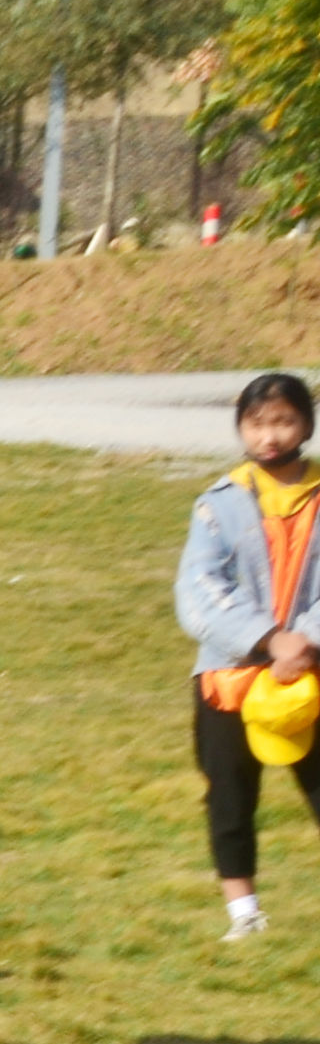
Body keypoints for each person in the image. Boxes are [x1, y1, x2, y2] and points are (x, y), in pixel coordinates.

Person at [173, 371, 320, 938]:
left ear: (305, 424)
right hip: (230, 673)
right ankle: (244, 914)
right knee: (229, 795)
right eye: (257, 424)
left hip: (312, 667)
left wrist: (303, 640)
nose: (270, 436)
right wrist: (268, 639)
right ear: (241, 427)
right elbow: (199, 590)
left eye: (283, 421)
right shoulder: (217, 504)